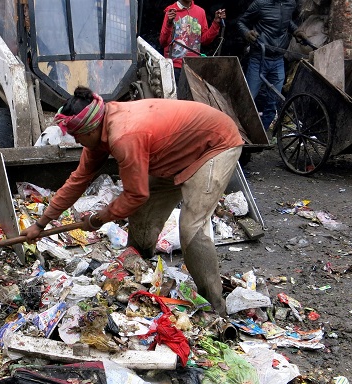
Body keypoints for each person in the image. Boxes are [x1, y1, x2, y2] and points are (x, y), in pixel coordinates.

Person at [21, 87, 244, 316]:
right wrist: (41, 224)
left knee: (191, 227)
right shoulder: (97, 132)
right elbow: (78, 180)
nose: (76, 140)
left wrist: (98, 219)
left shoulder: (123, 135)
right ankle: (138, 268)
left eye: (77, 135)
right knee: (143, 213)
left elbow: (136, 194)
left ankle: (215, 307)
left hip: (215, 143)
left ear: (90, 128)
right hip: (172, 151)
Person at [237, 0, 304, 130]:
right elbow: (241, 22)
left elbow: (285, 22)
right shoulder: (260, 4)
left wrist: (296, 31)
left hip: (278, 59)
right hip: (259, 58)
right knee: (249, 97)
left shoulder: (290, 3)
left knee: (273, 101)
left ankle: (262, 132)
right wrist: (246, 33)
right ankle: (241, 132)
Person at [159, 1, 225, 82]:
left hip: (193, 67)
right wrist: (169, 24)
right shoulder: (171, 12)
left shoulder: (200, 12)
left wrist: (216, 23)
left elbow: (204, 40)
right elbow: (163, 42)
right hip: (173, 66)